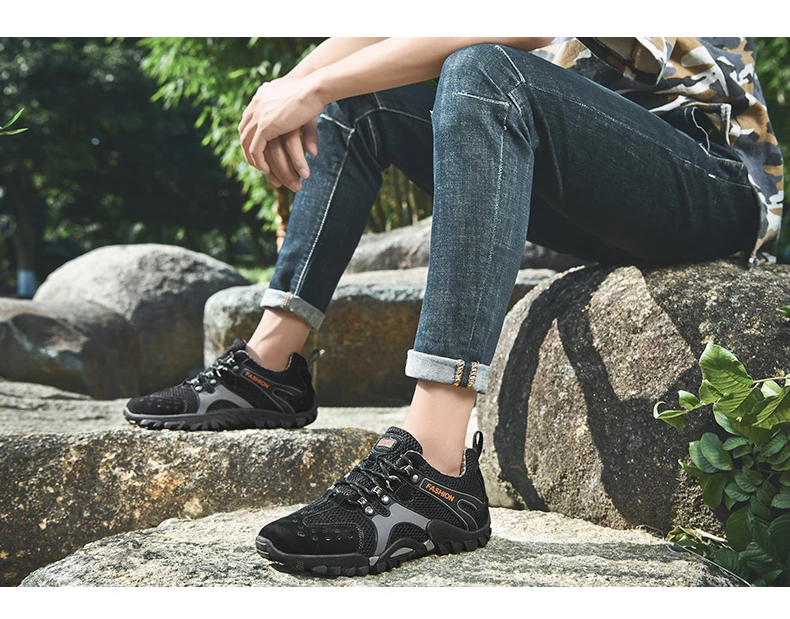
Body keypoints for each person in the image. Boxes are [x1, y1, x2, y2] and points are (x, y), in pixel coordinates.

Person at [124, 37, 784, 576]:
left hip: (709, 179)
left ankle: (437, 465)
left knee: (482, 69)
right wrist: (292, 87)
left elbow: (522, 25)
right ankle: (269, 367)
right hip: (594, 181)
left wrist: (313, 84)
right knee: (357, 98)